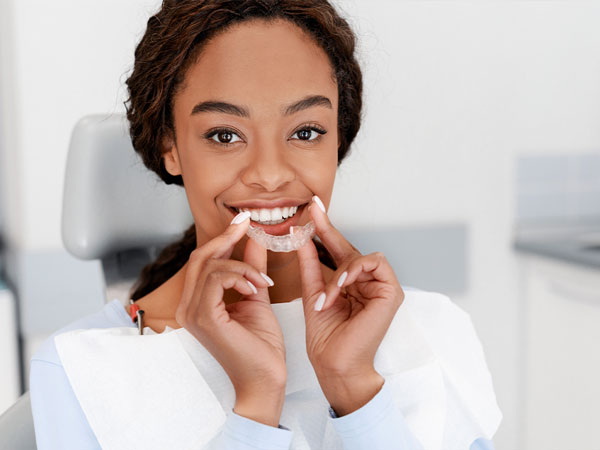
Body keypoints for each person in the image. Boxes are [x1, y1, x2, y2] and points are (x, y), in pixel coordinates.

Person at [29, 1, 501, 449]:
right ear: (170, 146)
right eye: (225, 135)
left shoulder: (433, 332)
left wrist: (355, 388)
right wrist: (255, 404)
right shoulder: (84, 371)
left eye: (306, 132)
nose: (271, 173)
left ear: (338, 139)